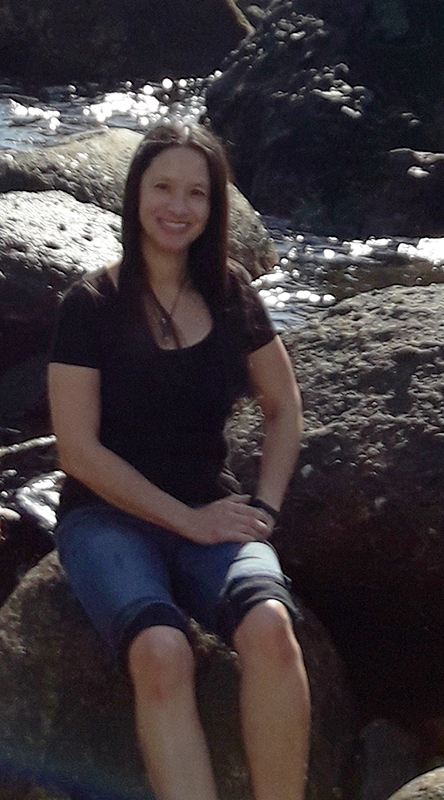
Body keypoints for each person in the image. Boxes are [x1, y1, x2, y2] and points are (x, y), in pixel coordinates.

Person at [48, 121, 310, 800]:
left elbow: (284, 407)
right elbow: (77, 450)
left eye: (197, 192)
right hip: (104, 518)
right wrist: (186, 521)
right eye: (163, 187)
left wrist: (266, 505)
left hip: (210, 506)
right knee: (161, 651)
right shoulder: (90, 306)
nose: (178, 206)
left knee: (271, 628)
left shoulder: (231, 294)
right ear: (136, 193)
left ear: (214, 207)